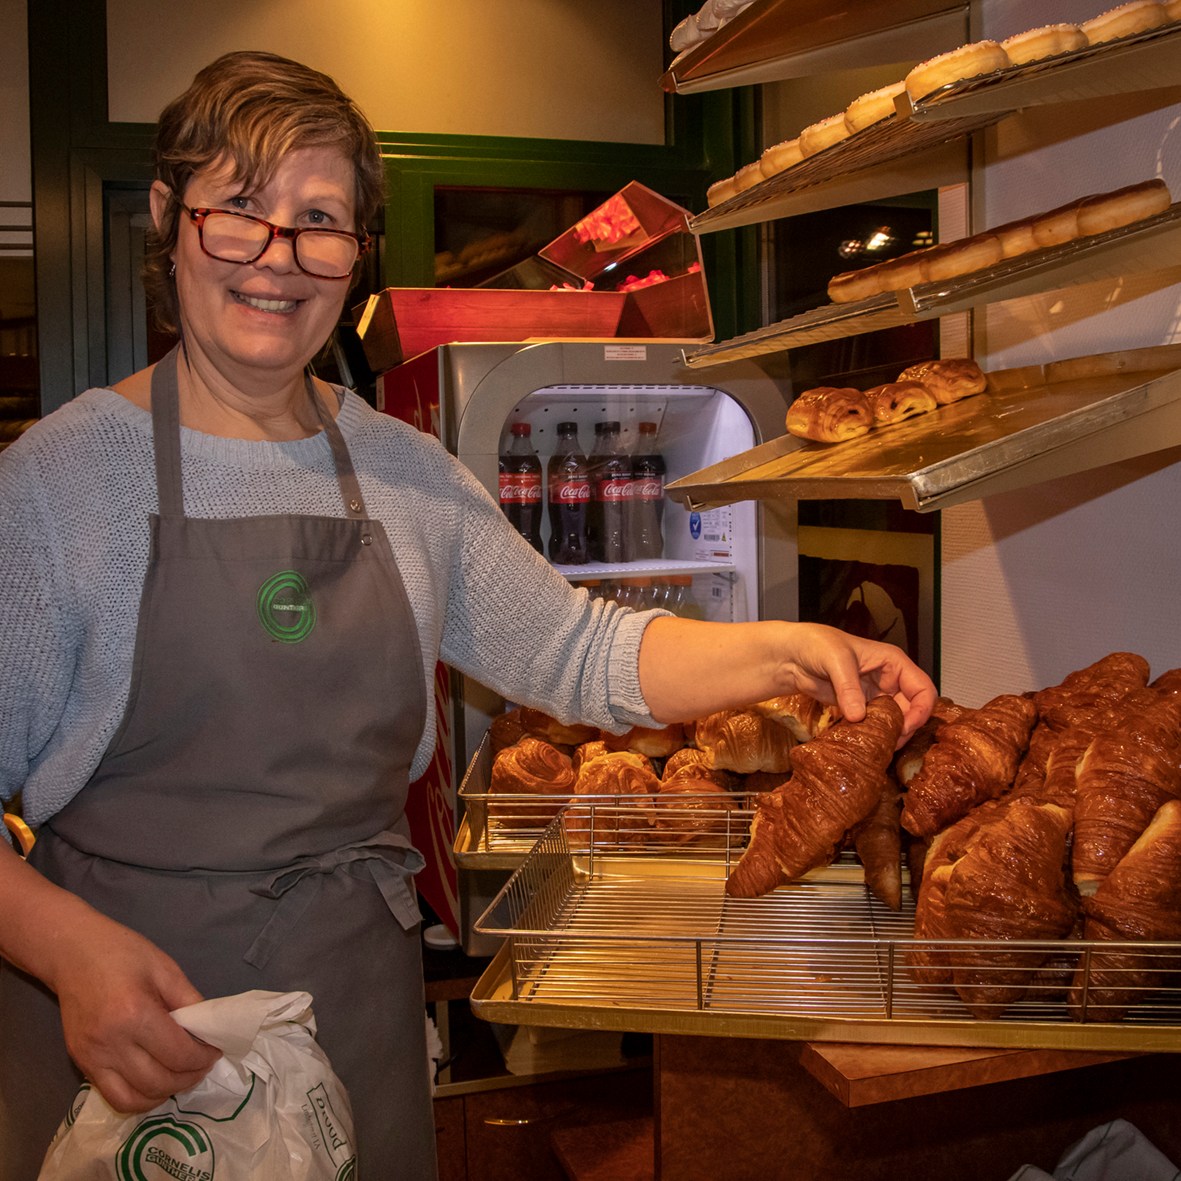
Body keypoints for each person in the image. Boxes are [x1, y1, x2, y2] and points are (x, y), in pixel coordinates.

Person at [0, 50, 936, 1178]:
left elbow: (577, 648)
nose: (278, 257)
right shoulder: (59, 483)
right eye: (238, 209)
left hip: (350, 1005)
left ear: (356, 252)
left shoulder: (404, 473)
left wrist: (792, 649)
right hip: (132, 1030)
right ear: (167, 217)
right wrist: (65, 948)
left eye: (319, 220)